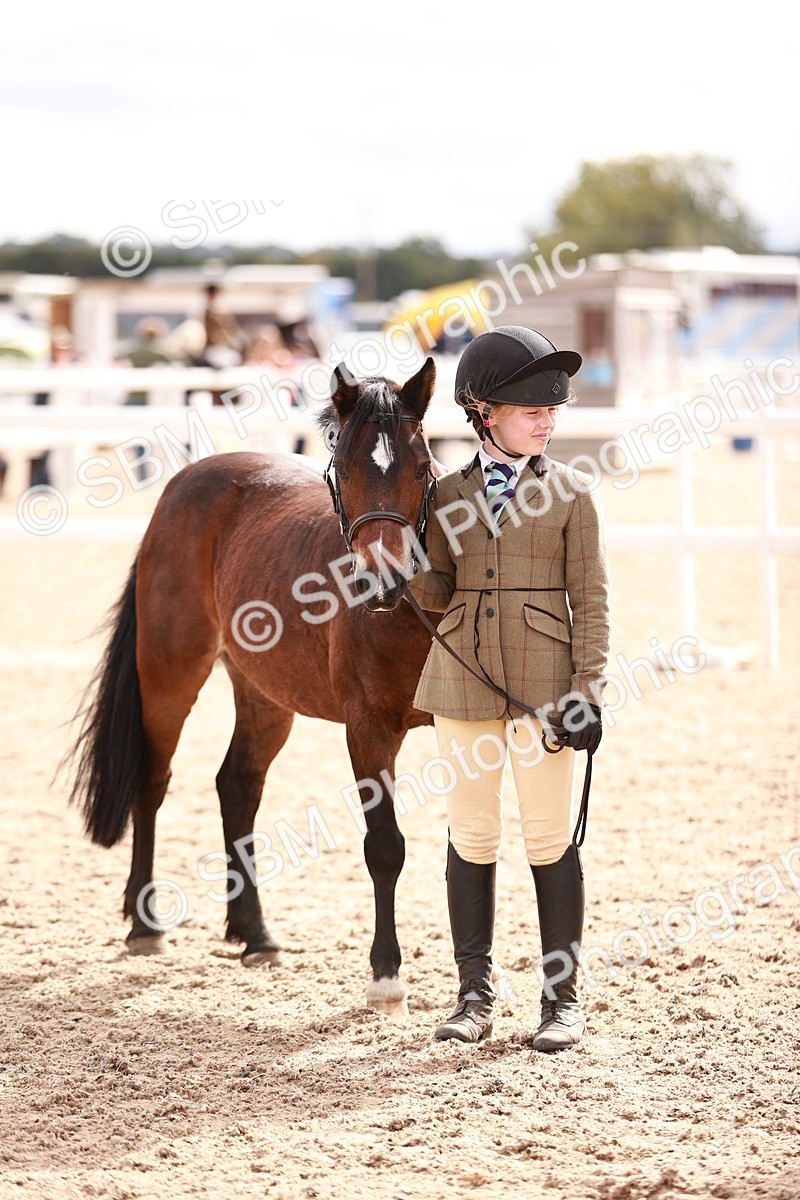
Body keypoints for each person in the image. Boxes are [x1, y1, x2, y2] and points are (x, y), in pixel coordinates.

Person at [407, 325, 611, 1052]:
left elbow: (591, 601)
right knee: (472, 836)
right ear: (484, 410)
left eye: (554, 410)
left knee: (551, 839)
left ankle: (562, 1001)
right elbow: (436, 590)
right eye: (533, 409)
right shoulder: (448, 495)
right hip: (461, 683)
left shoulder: (572, 495)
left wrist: (588, 689)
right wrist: (399, 557)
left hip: (544, 686)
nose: (547, 420)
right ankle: (474, 995)